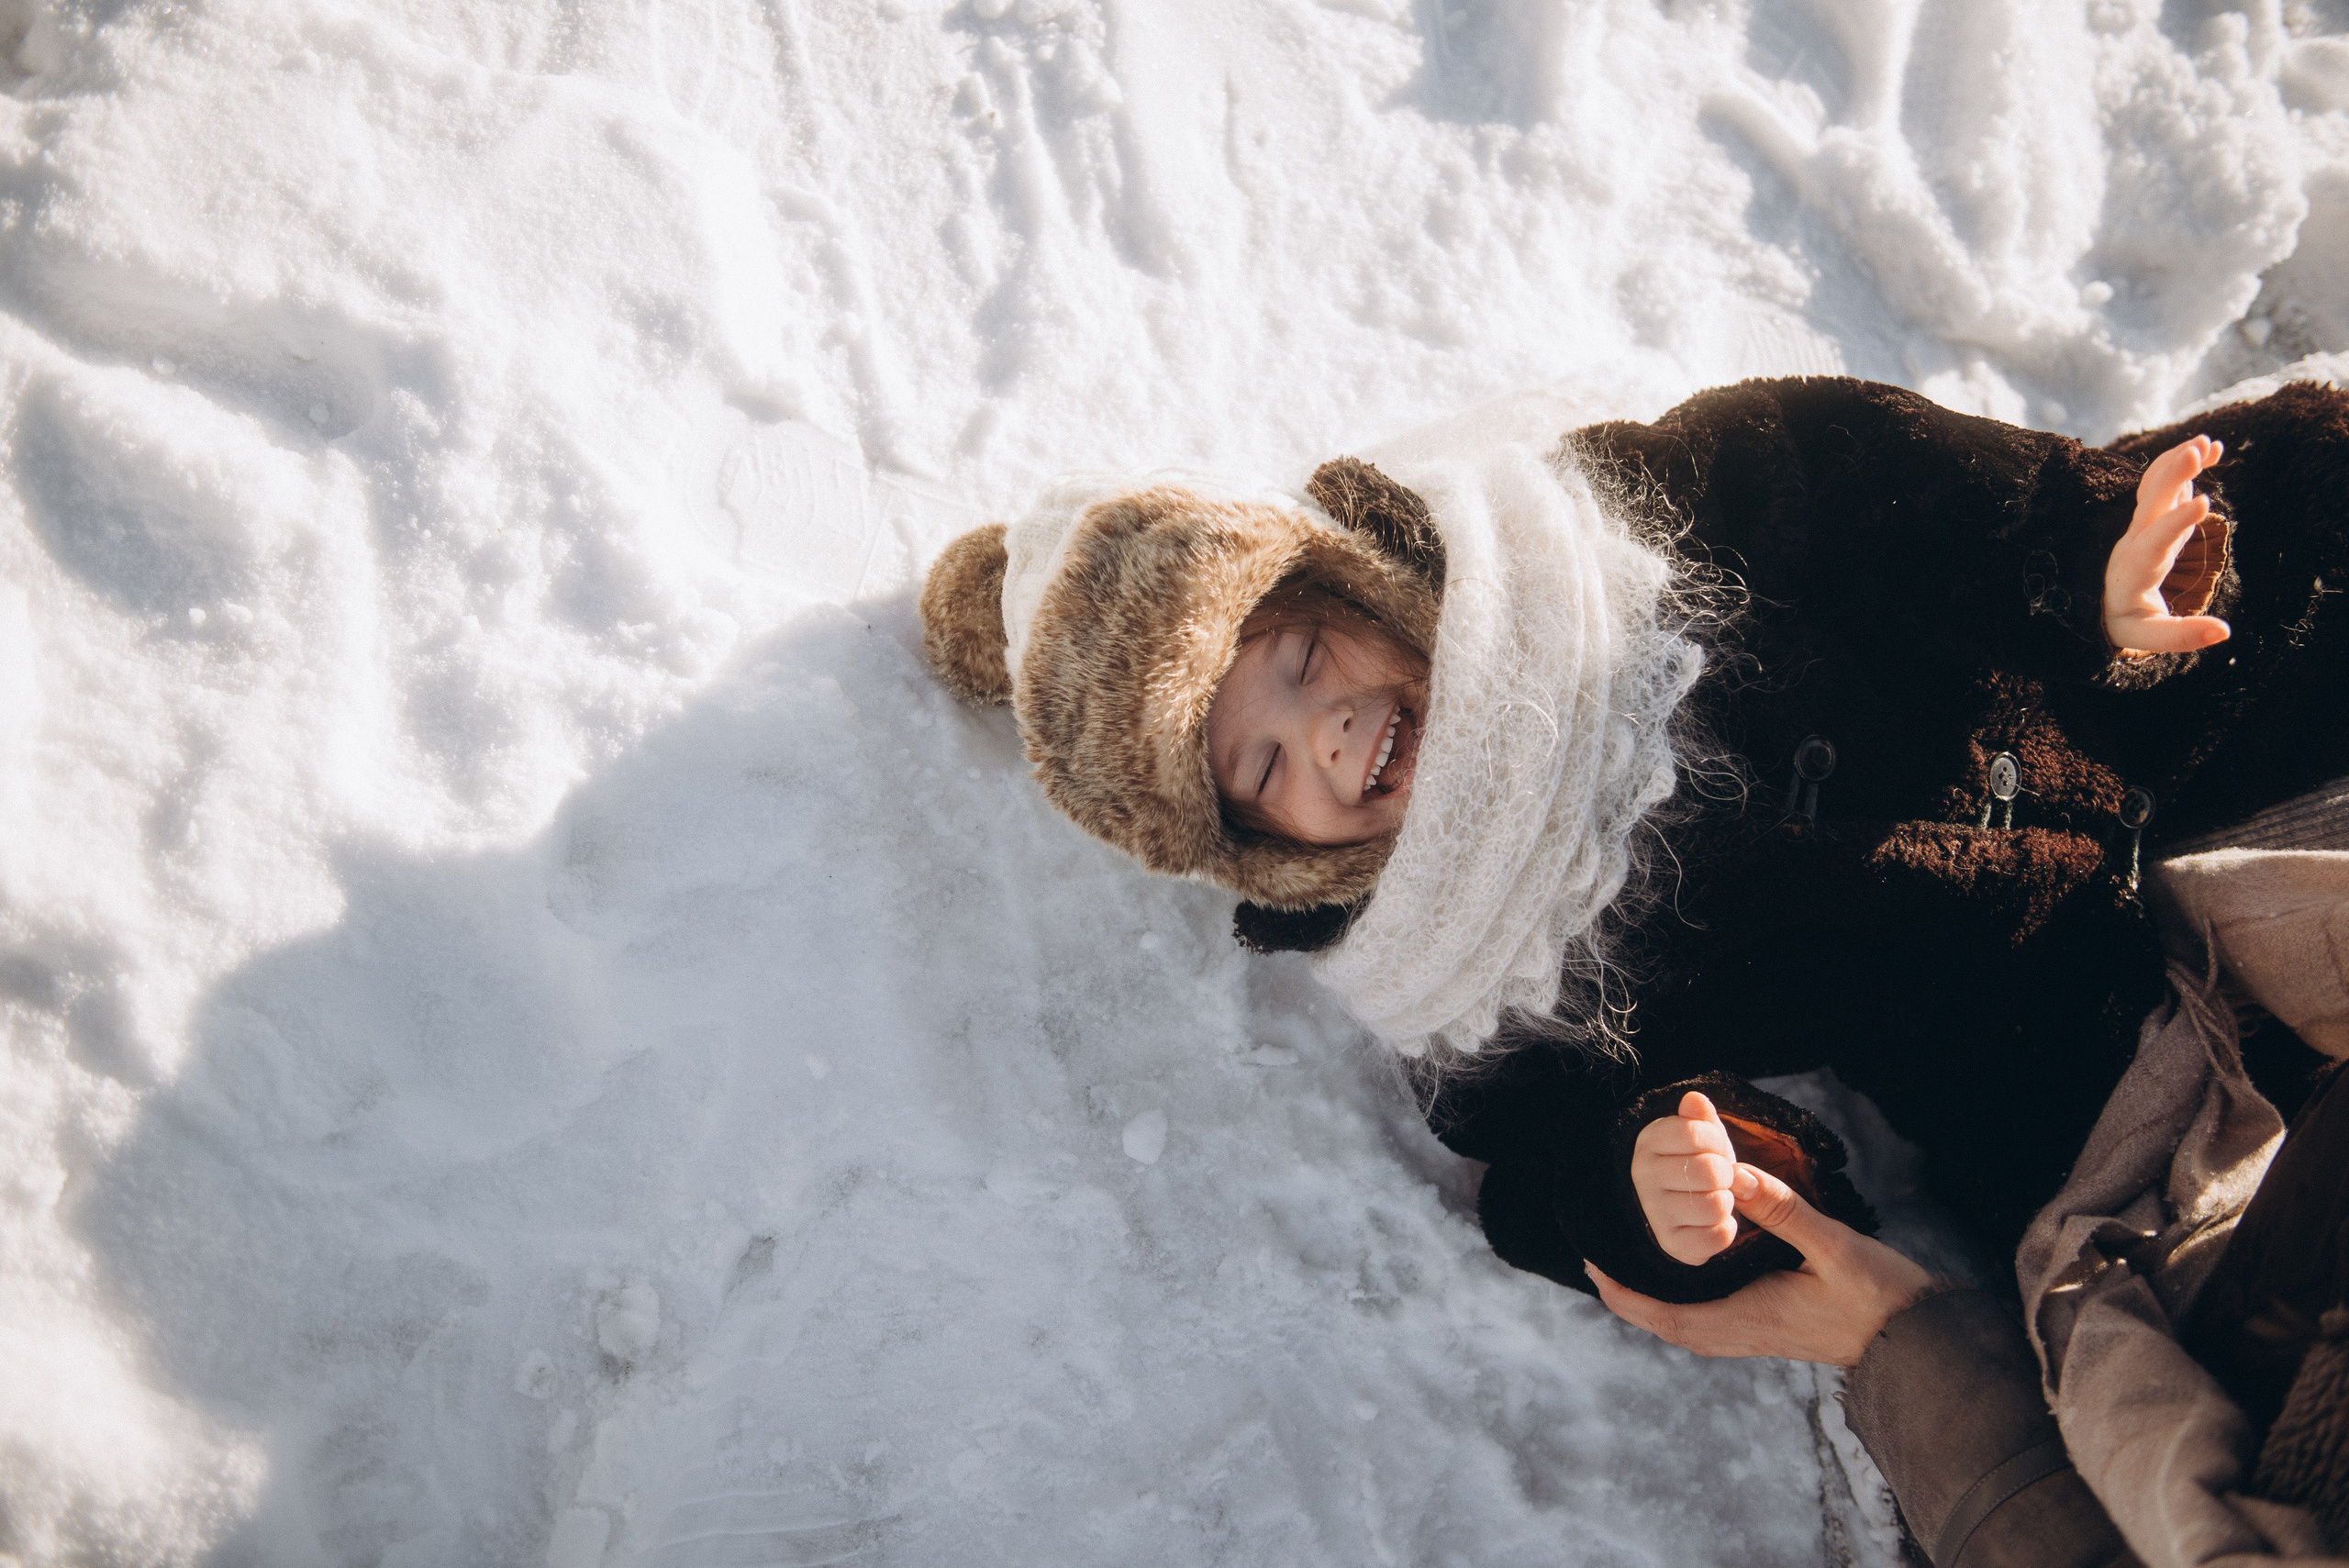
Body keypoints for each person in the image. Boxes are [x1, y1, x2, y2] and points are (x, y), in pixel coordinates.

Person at [918, 373, 2347, 1317]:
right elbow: (1543, 1177)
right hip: (2002, 1007)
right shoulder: (1462, 979)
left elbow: (1852, 476)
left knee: (2294, 521)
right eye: (1265, 766)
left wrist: (2070, 556)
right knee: (2207, 1247)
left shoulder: (1599, 541)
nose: (1331, 732)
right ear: (1256, 846)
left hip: (2076, 670)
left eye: (1303, 658)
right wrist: (1670, 1182)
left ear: (1342, 583)